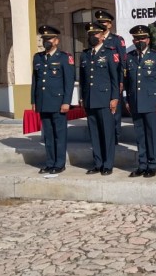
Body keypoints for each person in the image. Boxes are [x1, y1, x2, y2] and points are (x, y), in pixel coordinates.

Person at [124, 25, 156, 177]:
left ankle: (152, 164)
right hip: (135, 102)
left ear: (148, 40)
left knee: (151, 135)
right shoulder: (128, 57)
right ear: (133, 40)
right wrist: (126, 100)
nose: (139, 41)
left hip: (152, 103)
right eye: (137, 39)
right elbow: (126, 82)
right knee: (140, 135)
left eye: (142, 38)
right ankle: (142, 164)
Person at [31, 25, 75, 175]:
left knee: (59, 135)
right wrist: (34, 100)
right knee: (48, 136)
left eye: (49, 39)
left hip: (58, 103)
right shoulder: (38, 57)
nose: (46, 42)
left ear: (56, 41)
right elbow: (35, 81)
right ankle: (50, 163)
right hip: (43, 102)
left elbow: (69, 82)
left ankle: (59, 163)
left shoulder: (64, 57)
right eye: (44, 39)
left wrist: (66, 102)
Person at [79, 22, 120, 176]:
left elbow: (115, 78)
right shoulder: (84, 54)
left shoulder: (109, 53)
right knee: (94, 133)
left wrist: (114, 98)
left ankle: (108, 164)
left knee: (107, 133)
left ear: (103, 36)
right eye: (90, 34)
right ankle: (98, 163)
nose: (92, 37)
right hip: (90, 99)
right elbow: (82, 80)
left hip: (105, 99)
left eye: (95, 34)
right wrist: (82, 97)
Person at [94, 9, 126, 144]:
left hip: (114, 81)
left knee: (115, 112)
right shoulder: (95, 38)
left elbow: (123, 62)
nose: (102, 24)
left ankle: (115, 138)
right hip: (100, 82)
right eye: (99, 22)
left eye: (105, 22)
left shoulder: (117, 40)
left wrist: (121, 81)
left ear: (110, 24)